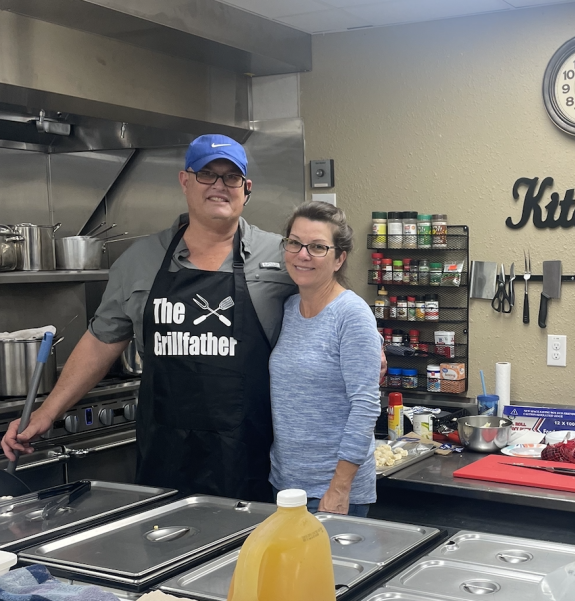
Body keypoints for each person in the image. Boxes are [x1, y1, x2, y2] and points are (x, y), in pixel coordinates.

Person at [1, 135, 297, 502]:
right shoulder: (139, 260)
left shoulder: (282, 257)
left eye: (230, 177)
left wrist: (365, 346)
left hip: (253, 454)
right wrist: (46, 413)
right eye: (207, 174)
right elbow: (101, 342)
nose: (219, 186)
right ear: (184, 180)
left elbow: (329, 301)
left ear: (246, 188)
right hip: (167, 453)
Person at [269, 201, 382, 516]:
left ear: (339, 258)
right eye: (295, 243)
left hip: (331, 494)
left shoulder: (352, 314)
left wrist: (339, 488)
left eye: (318, 247)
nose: (303, 255)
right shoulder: (288, 308)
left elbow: (366, 405)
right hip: (285, 486)